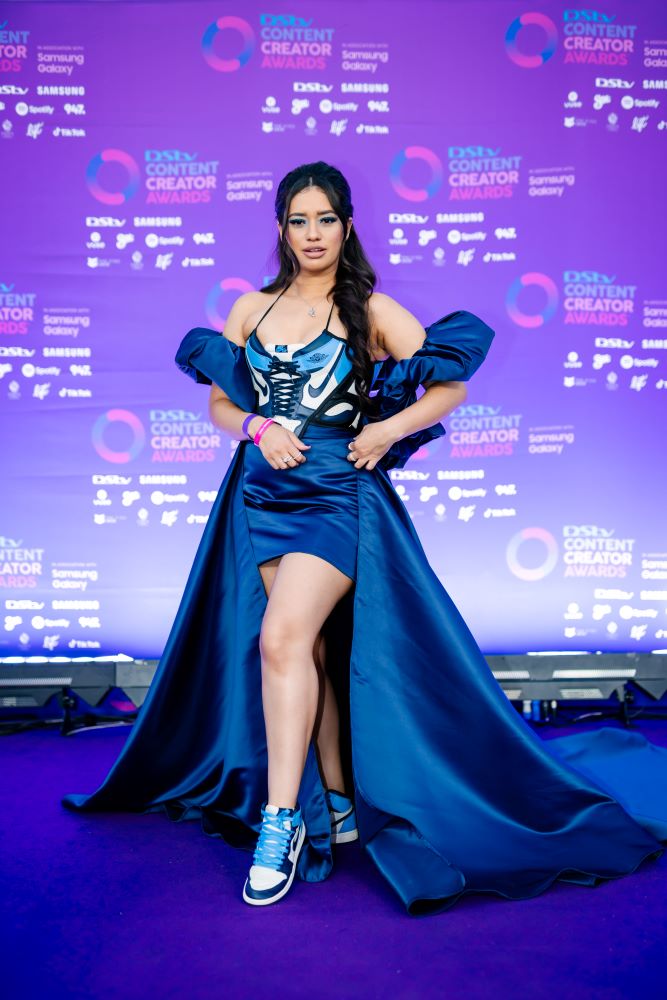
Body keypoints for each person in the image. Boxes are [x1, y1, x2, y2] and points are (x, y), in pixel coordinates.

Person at [63, 161, 665, 915]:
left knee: (280, 639)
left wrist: (385, 430)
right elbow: (220, 404)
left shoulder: (372, 309)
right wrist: (254, 427)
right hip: (261, 495)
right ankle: (338, 800)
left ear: (347, 226)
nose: (312, 234)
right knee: (308, 651)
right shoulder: (250, 307)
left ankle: (281, 822)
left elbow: (450, 384)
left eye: (325, 219)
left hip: (336, 496)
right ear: (281, 229)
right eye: (298, 220)